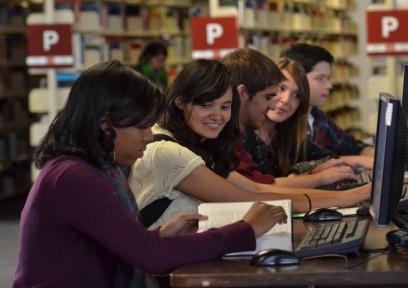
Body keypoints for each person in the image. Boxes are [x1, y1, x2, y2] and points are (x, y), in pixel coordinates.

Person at [5, 60, 288, 288]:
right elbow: (152, 256)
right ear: (106, 124)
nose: (149, 135)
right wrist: (245, 231)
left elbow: (123, 245)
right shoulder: (75, 177)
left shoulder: (88, 169)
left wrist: (162, 234)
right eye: (141, 126)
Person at [129, 58, 370, 230]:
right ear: (180, 102)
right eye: (206, 105)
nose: (218, 115)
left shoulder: (196, 146)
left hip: (188, 261)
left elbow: (256, 189)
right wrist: (346, 199)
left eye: (224, 107)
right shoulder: (167, 152)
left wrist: (349, 196)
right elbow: (245, 198)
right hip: (167, 280)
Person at [222, 48, 371, 188]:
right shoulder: (239, 133)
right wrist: (315, 177)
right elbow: (258, 188)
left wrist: (304, 173)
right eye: (279, 89)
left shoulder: (289, 132)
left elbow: (333, 158)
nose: (284, 101)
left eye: (296, 95)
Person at [281, 43, 375, 156]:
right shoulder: (283, 120)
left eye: (328, 78)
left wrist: (379, 155)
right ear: (297, 78)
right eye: (320, 78)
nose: (329, 85)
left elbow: (351, 147)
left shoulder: (317, 116)